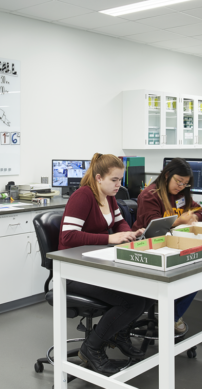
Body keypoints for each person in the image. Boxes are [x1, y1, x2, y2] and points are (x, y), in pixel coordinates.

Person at [59, 153, 148, 376]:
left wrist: (129, 233)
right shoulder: (83, 196)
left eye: (121, 180)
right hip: (73, 271)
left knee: (146, 292)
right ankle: (92, 347)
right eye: (114, 180)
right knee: (132, 302)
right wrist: (109, 239)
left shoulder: (108, 196)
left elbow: (119, 222)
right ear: (99, 178)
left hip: (95, 264)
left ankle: (117, 333)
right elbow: (68, 237)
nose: (119, 185)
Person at [132, 158, 202, 336]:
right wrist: (179, 220)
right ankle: (171, 315)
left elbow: (200, 211)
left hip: (172, 245)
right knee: (187, 273)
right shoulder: (150, 195)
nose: (181, 186)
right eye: (178, 182)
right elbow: (154, 227)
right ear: (167, 176)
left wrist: (195, 218)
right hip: (148, 247)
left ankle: (172, 315)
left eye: (185, 184)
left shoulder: (181, 195)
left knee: (199, 272)